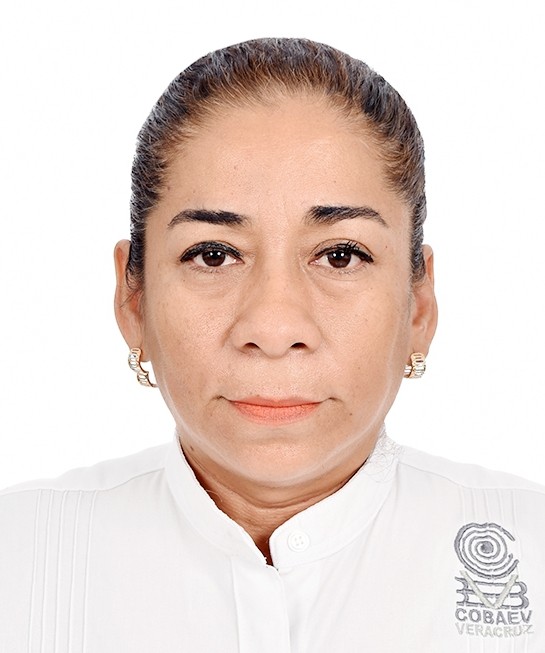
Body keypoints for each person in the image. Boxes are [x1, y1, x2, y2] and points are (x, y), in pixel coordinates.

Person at [1, 37, 544, 652]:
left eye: (340, 255)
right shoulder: (16, 559)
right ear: (134, 300)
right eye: (213, 255)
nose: (275, 327)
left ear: (418, 304)